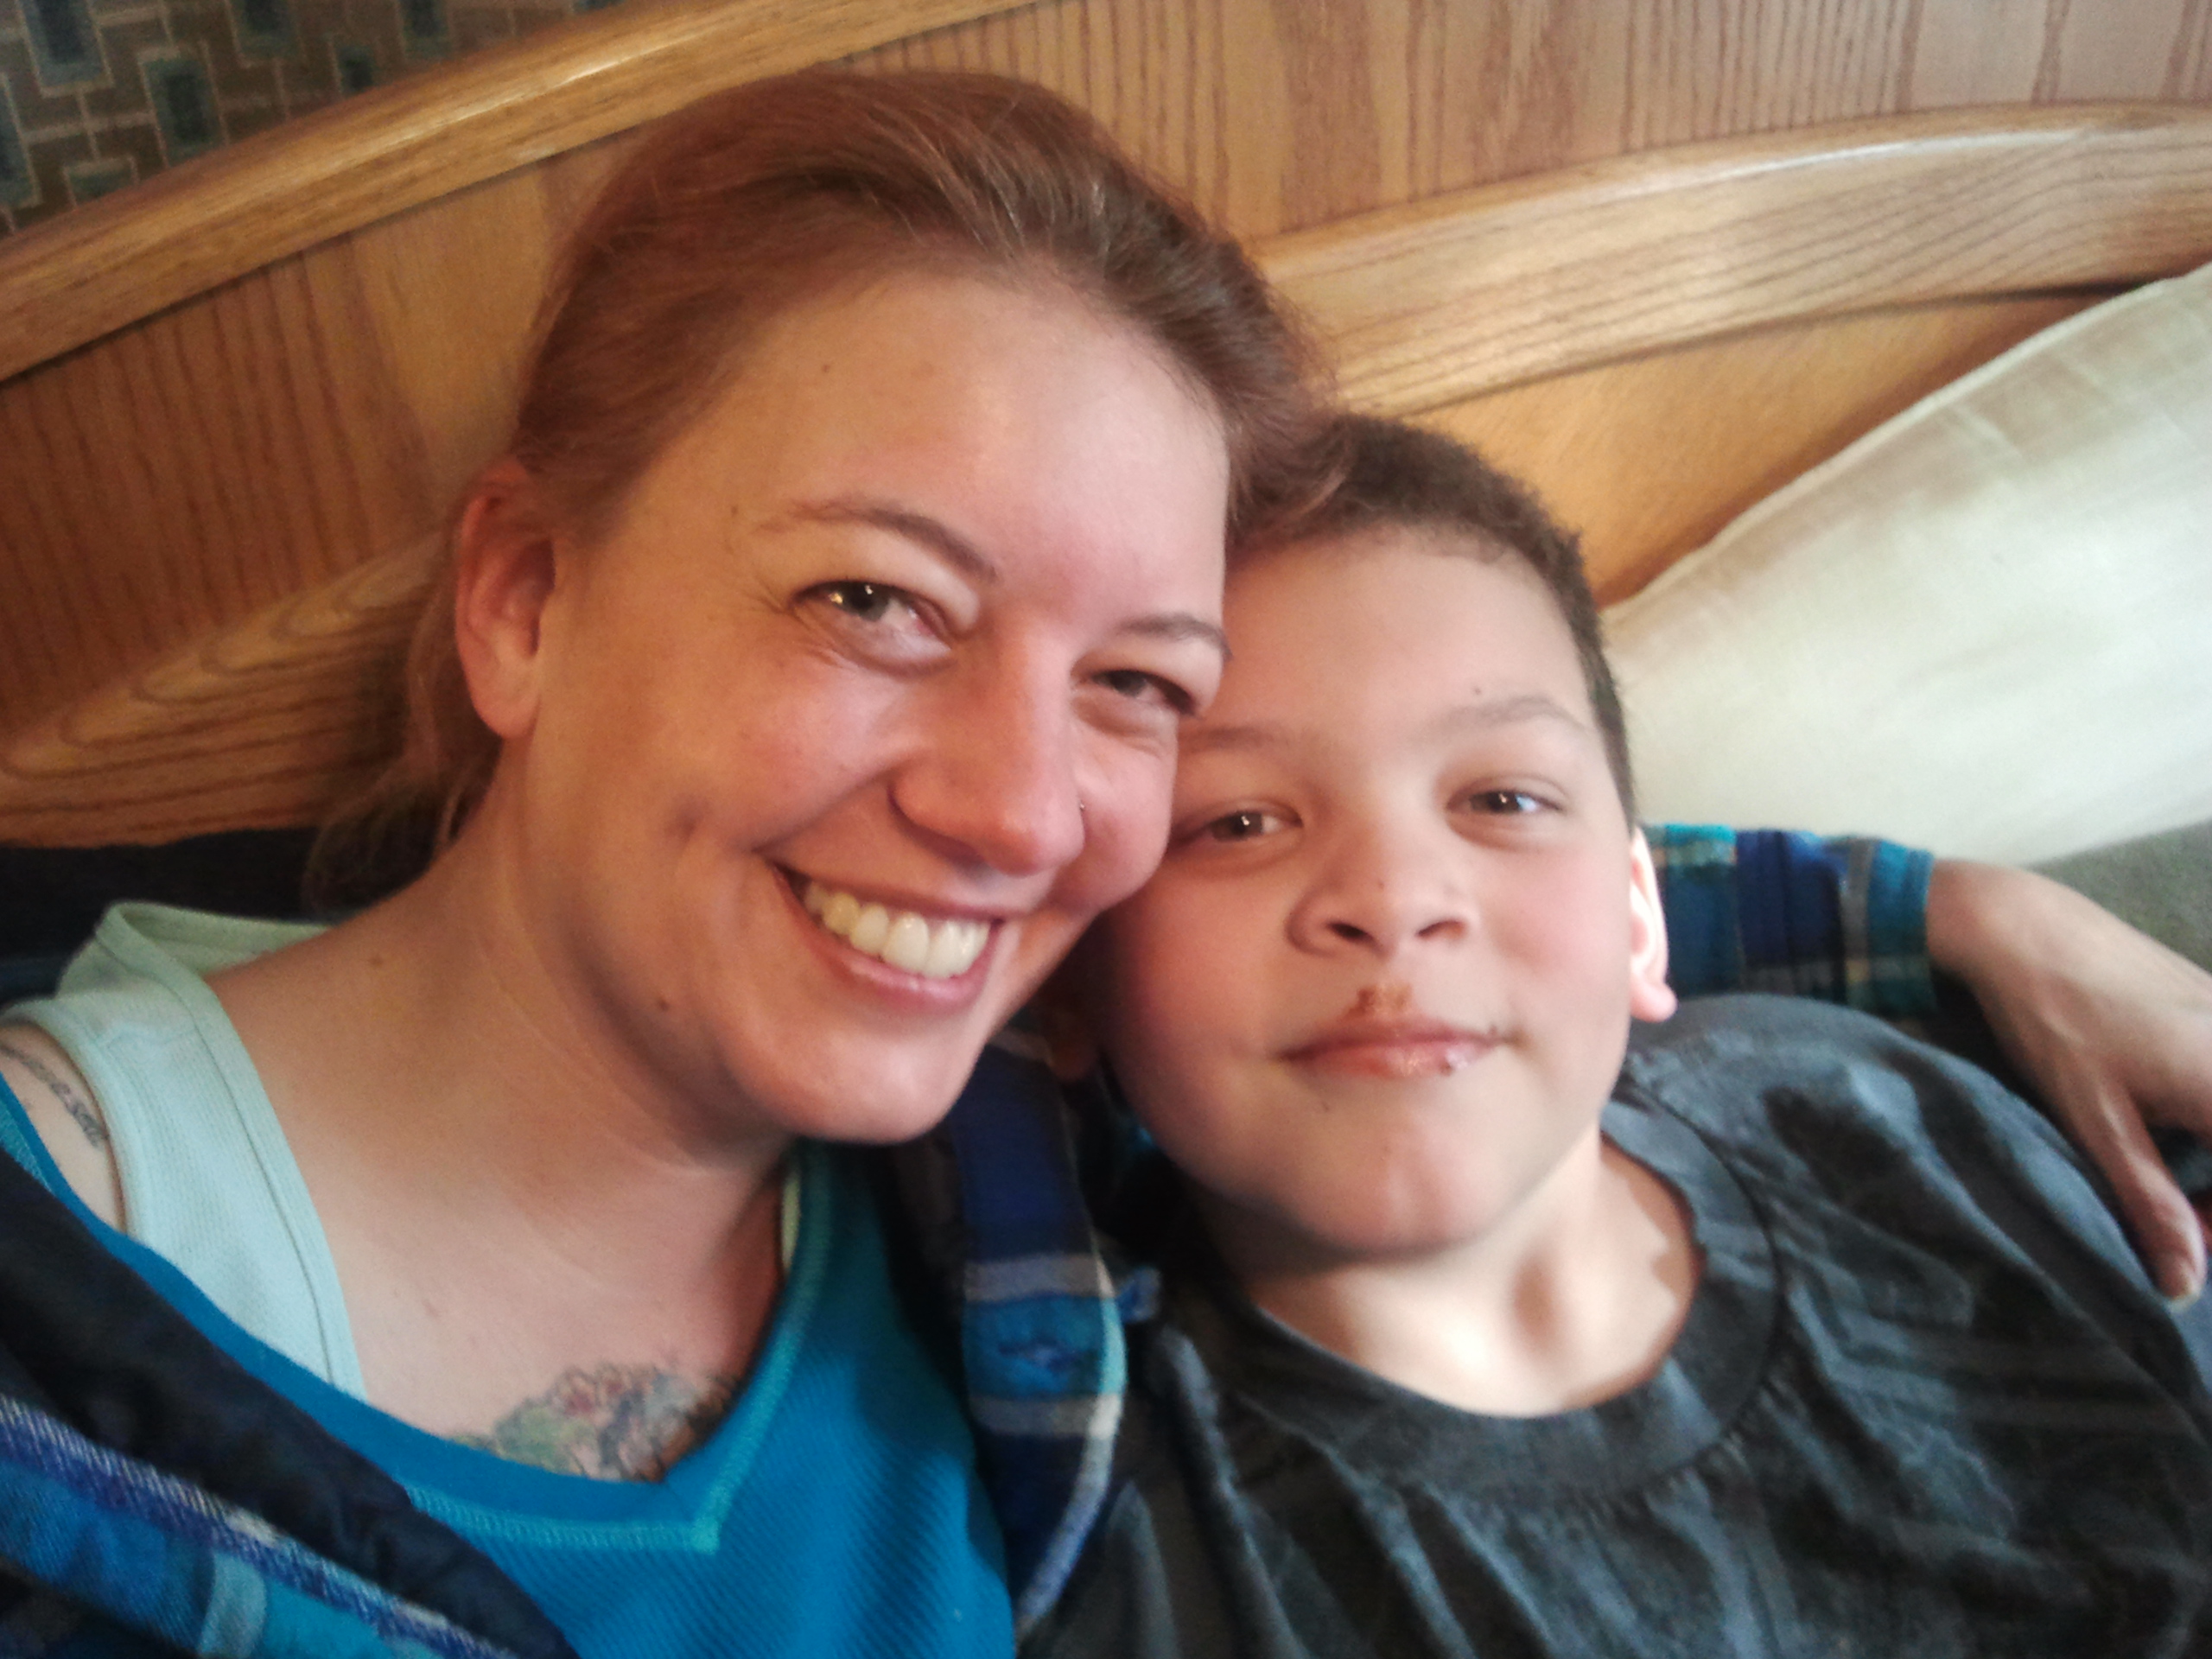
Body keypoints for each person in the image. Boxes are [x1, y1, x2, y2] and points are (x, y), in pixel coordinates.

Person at [0, 70, 2203, 1659]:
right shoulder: (72, 1358)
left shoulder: (1002, 1132)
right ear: (522, 602)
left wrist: (1954, 906)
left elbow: (1414, 909)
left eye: (1136, 686)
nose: (1018, 813)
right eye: (875, 603)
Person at [1024, 415, 2212, 1656]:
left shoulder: (1884, 1111)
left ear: (1645, 914)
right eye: (1237, 823)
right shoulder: (1122, 1541)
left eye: (1503, 798)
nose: (1393, 896)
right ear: (1070, 980)